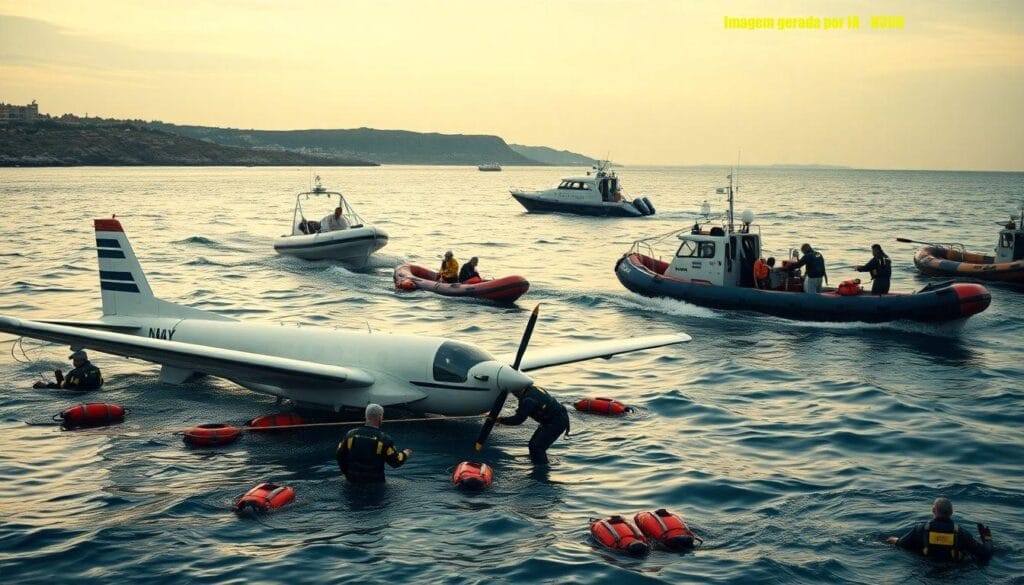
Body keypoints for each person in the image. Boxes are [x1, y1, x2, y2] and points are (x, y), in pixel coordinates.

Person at [886, 497, 993, 562]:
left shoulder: (920, 529)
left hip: (926, 570)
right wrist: (987, 539)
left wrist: (892, 539)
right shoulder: (961, 533)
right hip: (954, 571)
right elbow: (985, 554)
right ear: (951, 512)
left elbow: (901, 544)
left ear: (933, 510)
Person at [336, 404, 412, 484]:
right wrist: (405, 453)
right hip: (375, 483)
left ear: (366, 416)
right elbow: (395, 462)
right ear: (380, 417)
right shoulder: (384, 439)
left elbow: (339, 455)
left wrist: (345, 473)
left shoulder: (351, 434)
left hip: (352, 480)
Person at [497, 385, 570, 465]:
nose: (513, 394)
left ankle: (541, 468)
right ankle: (538, 462)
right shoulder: (531, 390)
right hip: (555, 418)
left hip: (556, 422)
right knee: (534, 445)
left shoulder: (528, 399)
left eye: (513, 391)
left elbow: (518, 419)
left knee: (537, 447)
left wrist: (500, 420)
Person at [33, 349, 103, 391]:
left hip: (80, 395)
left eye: (76, 360)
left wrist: (46, 386)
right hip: (95, 392)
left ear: (83, 360)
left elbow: (65, 388)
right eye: (74, 360)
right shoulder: (96, 369)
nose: (74, 363)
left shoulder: (75, 373)